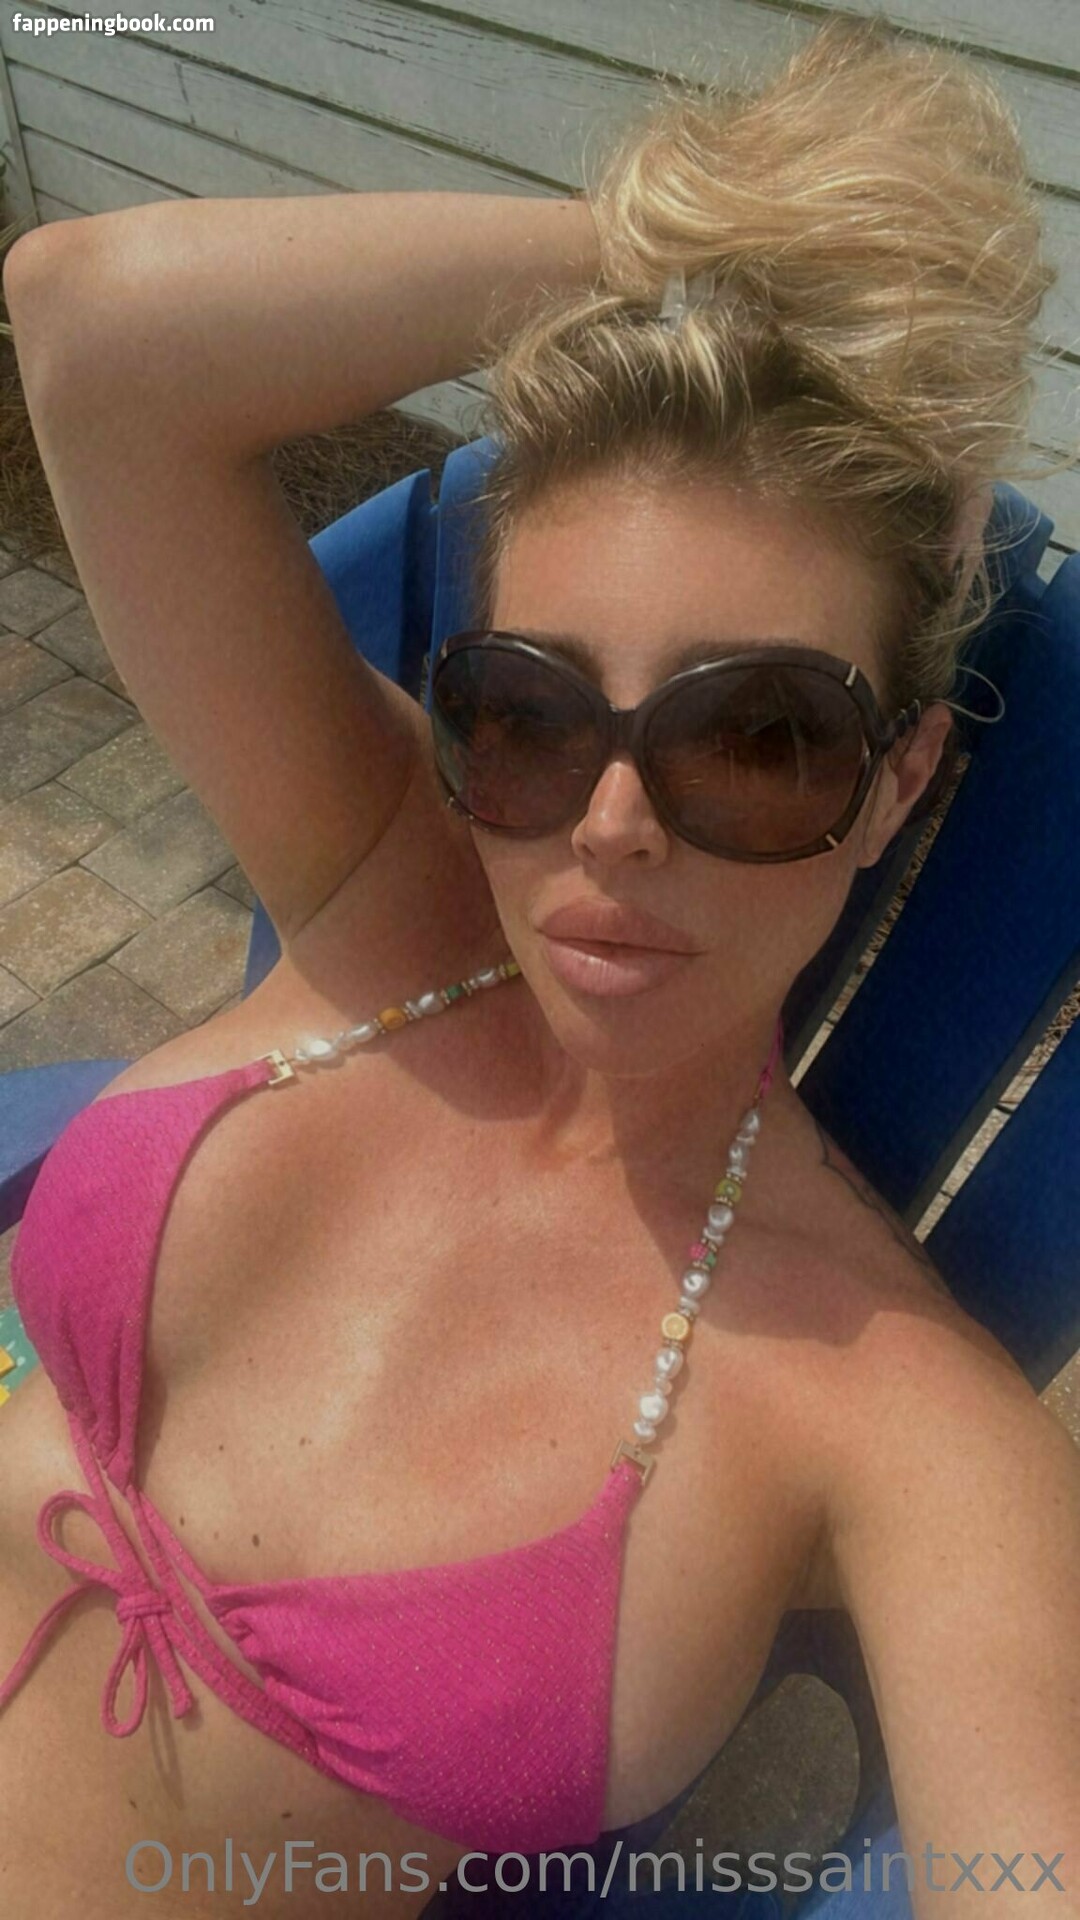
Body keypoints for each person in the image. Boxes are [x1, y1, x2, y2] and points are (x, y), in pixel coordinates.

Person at [1, 14, 1078, 1920]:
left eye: (758, 737)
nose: (609, 824)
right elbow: (89, 329)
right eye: (528, 711)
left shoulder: (892, 1416)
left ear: (900, 777)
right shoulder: (385, 892)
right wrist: (694, 254)